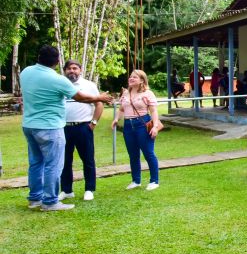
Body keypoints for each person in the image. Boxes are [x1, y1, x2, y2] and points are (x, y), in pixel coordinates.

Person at [20, 46, 112, 211]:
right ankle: (50, 202)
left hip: (29, 125)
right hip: (50, 127)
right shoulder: (57, 79)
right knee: (53, 164)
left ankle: (35, 199)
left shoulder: (26, 72)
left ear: (38, 57)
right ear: (57, 62)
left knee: (35, 163)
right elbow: (80, 97)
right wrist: (101, 97)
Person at [59, 60, 103, 202]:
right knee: (64, 160)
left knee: (88, 159)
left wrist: (93, 122)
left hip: (83, 127)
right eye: (69, 69)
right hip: (64, 127)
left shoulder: (89, 85)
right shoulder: (60, 85)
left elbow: (99, 104)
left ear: (80, 70)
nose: (72, 71)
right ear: (64, 71)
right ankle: (66, 190)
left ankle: (89, 189)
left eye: (75, 68)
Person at [112, 70, 161, 191]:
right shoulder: (125, 93)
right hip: (128, 125)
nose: (131, 78)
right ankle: (136, 180)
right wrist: (116, 119)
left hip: (142, 124)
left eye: (135, 77)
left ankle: (154, 181)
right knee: (133, 154)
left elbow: (153, 111)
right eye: (130, 77)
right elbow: (122, 109)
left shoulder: (148, 93)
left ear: (142, 80)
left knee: (148, 153)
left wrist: (155, 126)